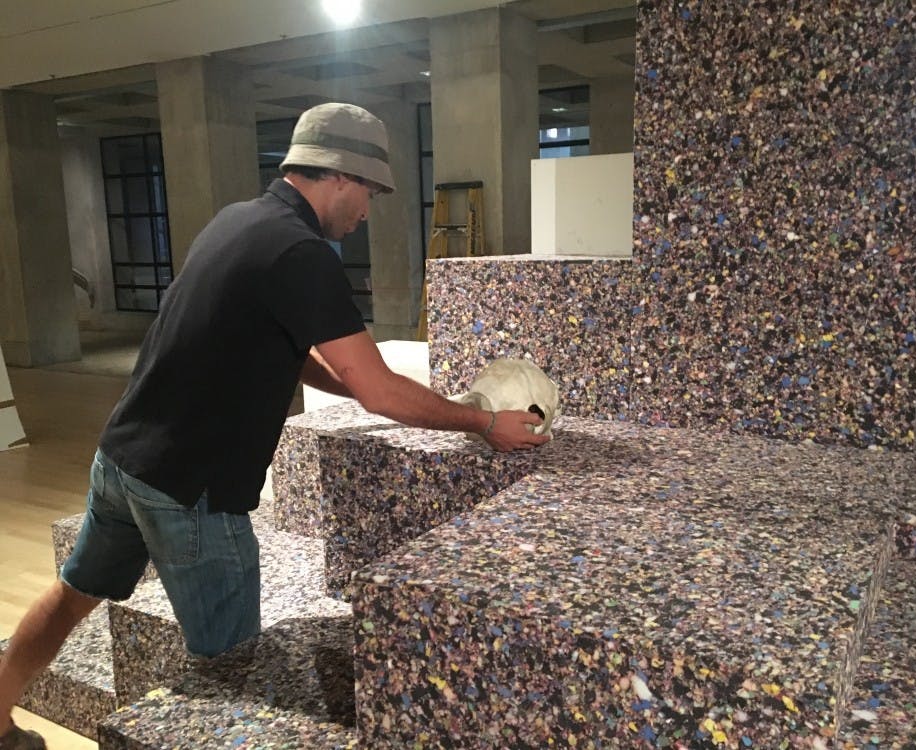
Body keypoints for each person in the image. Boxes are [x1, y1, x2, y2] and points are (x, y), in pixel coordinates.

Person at [0, 102, 548, 749]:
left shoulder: (239, 223)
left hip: (123, 461)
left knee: (72, 596)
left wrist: (358, 384)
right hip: (191, 492)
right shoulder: (303, 252)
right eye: (369, 192)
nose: (368, 211)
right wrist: (484, 420)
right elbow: (377, 390)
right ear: (340, 176)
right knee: (232, 684)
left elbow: (295, 355)